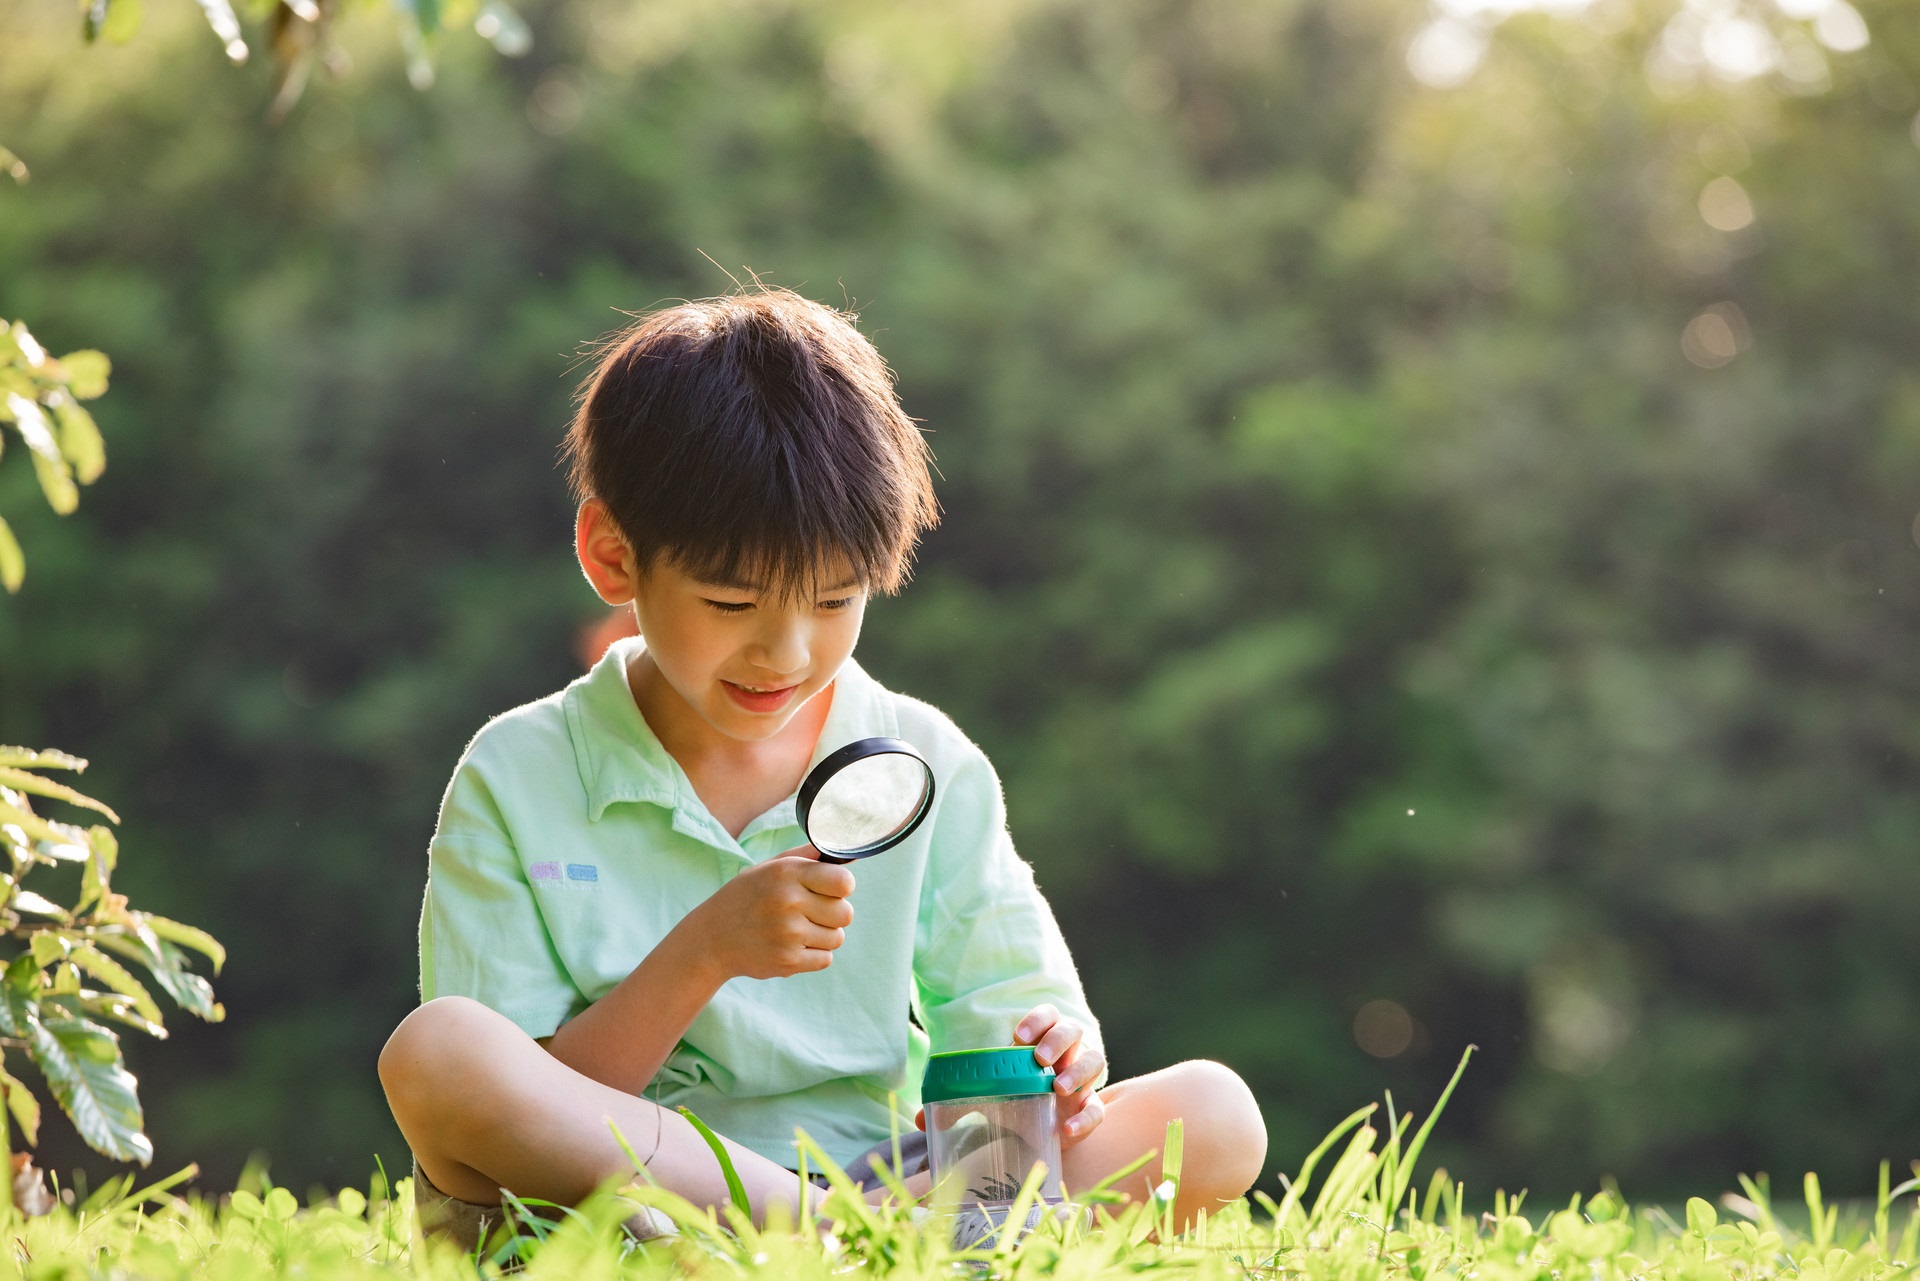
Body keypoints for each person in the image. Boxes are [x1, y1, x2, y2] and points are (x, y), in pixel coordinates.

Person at [377, 289, 1267, 1247]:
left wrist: (1057, 1060)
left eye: (837, 601)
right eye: (732, 603)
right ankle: (829, 1240)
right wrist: (703, 952)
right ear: (613, 556)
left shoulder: (927, 760)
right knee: (441, 1051)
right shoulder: (518, 774)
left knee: (1214, 1113)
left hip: (878, 1176)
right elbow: (532, 1102)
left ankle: (857, 1242)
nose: (787, 655)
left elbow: (1006, 1049)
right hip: (616, 1208)